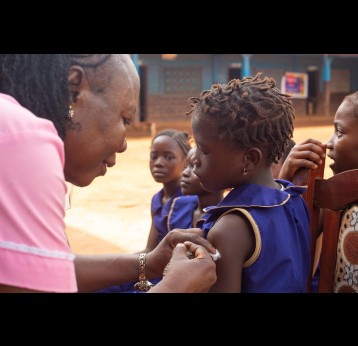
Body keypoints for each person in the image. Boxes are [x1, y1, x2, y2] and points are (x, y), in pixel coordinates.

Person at [0, 54, 217, 293]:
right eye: (124, 118)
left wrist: (149, 263)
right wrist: (177, 286)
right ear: (74, 90)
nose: (124, 144)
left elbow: (45, 267)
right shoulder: (23, 141)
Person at [187, 74, 311, 292]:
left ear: (250, 159)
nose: (193, 158)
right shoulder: (294, 200)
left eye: (204, 150)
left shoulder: (229, 229)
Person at [278, 91, 358, 293]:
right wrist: (286, 175)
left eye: (339, 132)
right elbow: (286, 239)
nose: (328, 143)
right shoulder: (331, 199)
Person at [169, 147, 224, 230]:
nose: (184, 172)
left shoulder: (226, 218)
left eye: (196, 165)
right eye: (186, 166)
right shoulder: (180, 209)